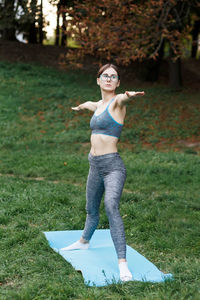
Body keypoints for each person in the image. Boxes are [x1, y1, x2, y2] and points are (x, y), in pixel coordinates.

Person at [61, 64, 145, 282]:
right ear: (98, 80)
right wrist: (80, 107)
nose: (109, 79)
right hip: (94, 165)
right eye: (105, 76)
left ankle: (123, 264)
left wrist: (129, 96)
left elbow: (123, 100)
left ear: (118, 83)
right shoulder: (98, 104)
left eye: (113, 76)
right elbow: (91, 104)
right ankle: (84, 241)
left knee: (110, 205)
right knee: (91, 208)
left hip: (112, 167)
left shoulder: (117, 102)